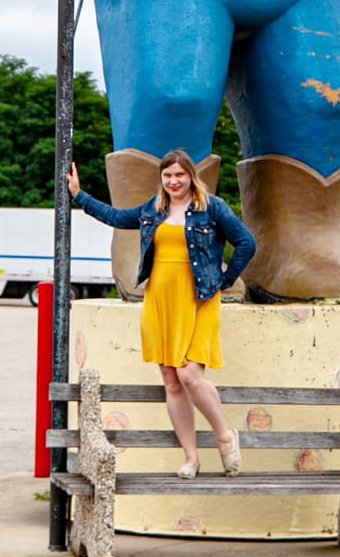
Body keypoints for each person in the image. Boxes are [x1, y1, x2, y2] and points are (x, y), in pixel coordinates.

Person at [65, 149, 255, 478]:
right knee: (172, 382)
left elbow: (245, 243)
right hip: (160, 300)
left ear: (191, 176)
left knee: (190, 375)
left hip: (199, 299)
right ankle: (191, 458)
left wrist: (225, 280)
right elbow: (114, 216)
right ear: (161, 178)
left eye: (179, 175)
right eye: (167, 175)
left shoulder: (211, 208)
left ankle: (224, 436)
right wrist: (79, 194)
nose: (173, 181)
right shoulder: (153, 210)